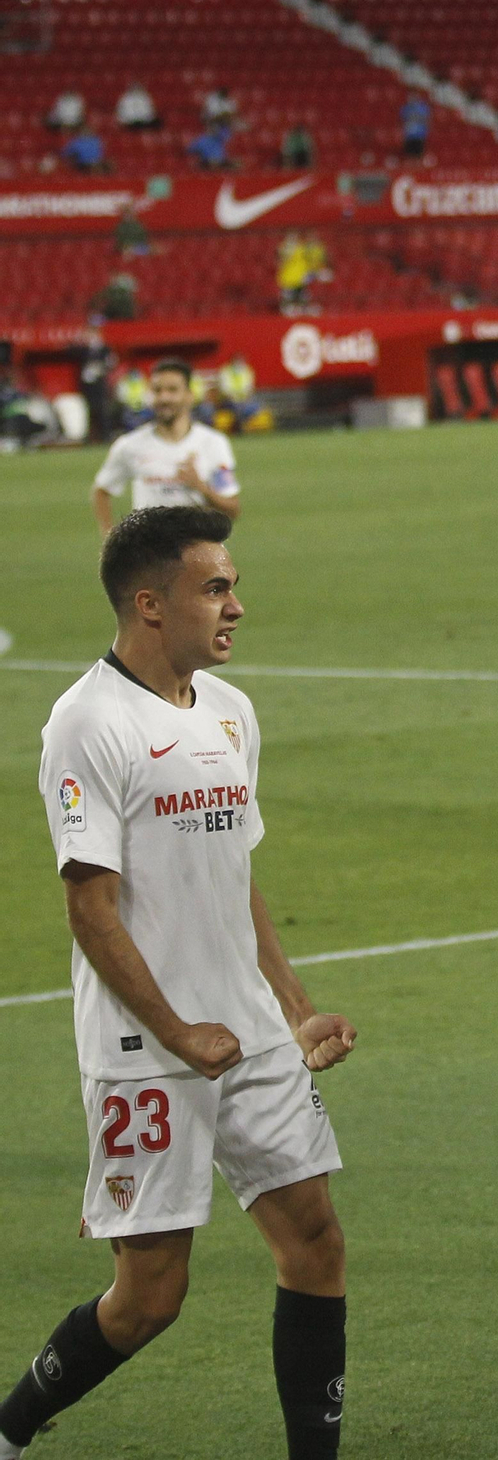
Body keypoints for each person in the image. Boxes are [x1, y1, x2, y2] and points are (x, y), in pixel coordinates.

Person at [0, 506, 354, 1460]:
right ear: (150, 605)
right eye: (216, 589)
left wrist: (292, 1007)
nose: (236, 605)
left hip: (248, 1034)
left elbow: (237, 878)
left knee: (314, 1241)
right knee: (151, 1296)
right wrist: (178, 1030)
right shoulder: (88, 723)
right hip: (144, 1045)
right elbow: (91, 909)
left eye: (232, 585)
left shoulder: (232, 712)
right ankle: (9, 1427)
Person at [92, 359, 241, 539]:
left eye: (172, 390)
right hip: (149, 555)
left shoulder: (213, 443)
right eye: (157, 390)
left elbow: (233, 509)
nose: (163, 398)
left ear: (189, 395)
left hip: (197, 554)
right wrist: (111, 538)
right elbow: (101, 491)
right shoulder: (130, 445)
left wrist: (200, 487)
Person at [215, 354, 268, 435]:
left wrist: (245, 398)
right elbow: (225, 390)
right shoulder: (225, 372)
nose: (240, 364)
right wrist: (235, 398)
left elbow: (250, 389)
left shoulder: (247, 371)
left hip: (244, 400)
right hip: (229, 400)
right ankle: (239, 428)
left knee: (255, 406)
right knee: (237, 407)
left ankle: (243, 426)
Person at [400, 94, 431, 160]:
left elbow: (427, 120)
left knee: (418, 154)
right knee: (409, 155)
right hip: (409, 135)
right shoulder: (406, 108)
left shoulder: (423, 108)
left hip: (420, 134)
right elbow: (402, 120)